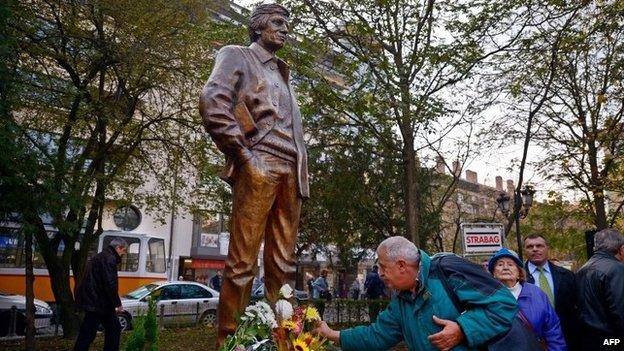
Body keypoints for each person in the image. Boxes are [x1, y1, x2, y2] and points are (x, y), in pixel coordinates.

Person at [199, 3, 309, 345]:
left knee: (284, 265)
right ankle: (229, 342)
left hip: (292, 172)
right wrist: (245, 157)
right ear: (259, 27)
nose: (285, 29)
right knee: (242, 262)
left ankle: (287, 340)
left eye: (286, 24)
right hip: (258, 163)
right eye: (278, 23)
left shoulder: (283, 73)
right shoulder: (236, 55)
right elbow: (212, 100)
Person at [314, 236, 517, 351]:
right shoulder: (401, 298)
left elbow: (504, 304)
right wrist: (333, 334)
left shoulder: (448, 270)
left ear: (402, 265)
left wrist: (463, 329)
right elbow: (378, 335)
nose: (380, 274)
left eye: (383, 267)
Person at [489, 248, 566, 351]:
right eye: (500, 264)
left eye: (510, 264)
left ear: (519, 273)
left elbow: (552, 330)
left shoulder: (536, 293)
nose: (505, 267)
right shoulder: (486, 296)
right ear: (493, 273)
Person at [523, 234, 578, 350]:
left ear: (547, 248)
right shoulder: (518, 279)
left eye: (539, 246)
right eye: (530, 246)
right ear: (525, 250)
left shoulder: (566, 275)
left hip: (566, 338)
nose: (535, 249)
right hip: (530, 339)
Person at [73, 238, 128, 351]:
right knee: (106, 330)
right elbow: (110, 283)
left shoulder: (101, 256)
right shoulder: (109, 259)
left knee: (90, 332)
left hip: (96, 301)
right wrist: (117, 303)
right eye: (123, 251)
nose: (123, 254)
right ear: (118, 248)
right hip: (99, 303)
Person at [576, 228, 624, 350]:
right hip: (612, 341)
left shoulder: (581, 270)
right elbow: (619, 312)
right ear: (621, 248)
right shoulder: (616, 269)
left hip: (588, 340)